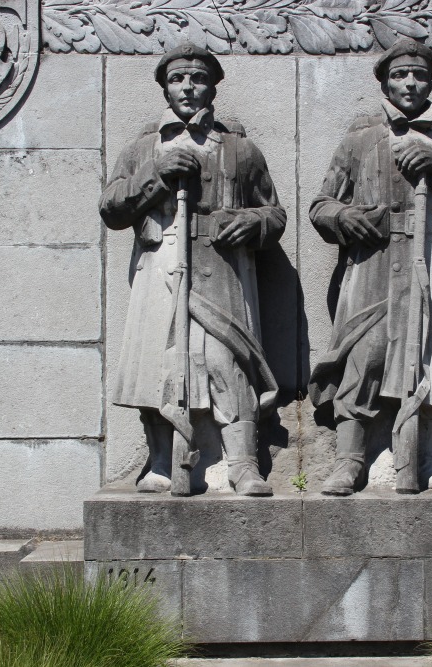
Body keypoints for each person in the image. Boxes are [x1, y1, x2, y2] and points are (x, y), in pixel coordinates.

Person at [308, 38, 432, 495]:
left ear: (431, 80)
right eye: (400, 75)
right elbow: (320, 205)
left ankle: (426, 457)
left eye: (419, 74)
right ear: (385, 83)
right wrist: (343, 217)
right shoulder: (359, 142)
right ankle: (349, 461)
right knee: (364, 357)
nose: (410, 83)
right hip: (372, 262)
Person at [100, 44, 286, 496]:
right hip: (161, 264)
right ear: (164, 87)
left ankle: (243, 464)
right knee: (161, 365)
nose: (188, 87)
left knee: (228, 363)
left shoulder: (239, 149)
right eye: (178, 79)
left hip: (222, 268)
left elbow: (275, 213)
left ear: (213, 86)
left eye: (198, 78)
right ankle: (162, 460)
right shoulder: (144, 147)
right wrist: (157, 174)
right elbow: (111, 208)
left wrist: (250, 222)